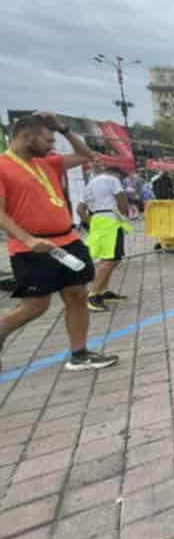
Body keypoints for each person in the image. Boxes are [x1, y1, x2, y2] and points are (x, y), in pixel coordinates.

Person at [0, 113, 118, 371]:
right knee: (36, 305)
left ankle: (80, 354)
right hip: (32, 247)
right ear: (26, 137)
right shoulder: (2, 166)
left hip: (68, 241)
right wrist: (28, 239)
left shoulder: (47, 163)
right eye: (48, 140)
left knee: (77, 294)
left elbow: (87, 156)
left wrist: (63, 129)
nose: (52, 145)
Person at [83, 166, 132, 312]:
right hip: (111, 220)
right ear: (116, 173)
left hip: (98, 220)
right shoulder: (112, 179)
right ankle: (92, 295)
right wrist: (122, 215)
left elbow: (80, 209)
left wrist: (92, 224)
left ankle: (102, 290)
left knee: (114, 259)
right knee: (108, 260)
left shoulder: (90, 184)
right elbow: (123, 201)